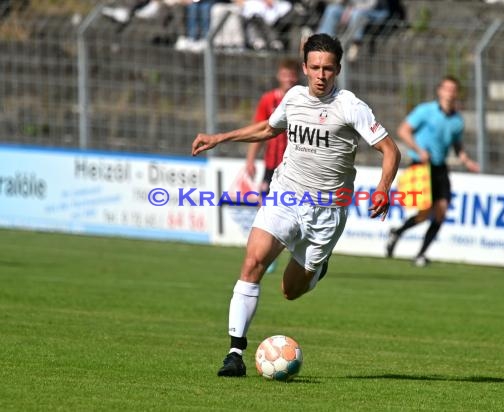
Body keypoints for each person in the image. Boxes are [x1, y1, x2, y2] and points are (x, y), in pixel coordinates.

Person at [191, 33, 401, 377]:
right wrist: (220, 138)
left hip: (327, 212)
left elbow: (390, 150)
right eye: (315, 68)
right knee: (254, 260)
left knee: (290, 291)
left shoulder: (351, 107)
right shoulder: (293, 98)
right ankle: (234, 352)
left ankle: (318, 268)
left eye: (328, 69)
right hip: (286, 195)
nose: (321, 75)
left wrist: (383, 188)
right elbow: (269, 129)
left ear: (338, 70)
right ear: (304, 68)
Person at [386, 75, 480, 267]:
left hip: (440, 167)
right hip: (421, 165)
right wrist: (420, 150)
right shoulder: (425, 111)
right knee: (424, 212)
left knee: (441, 211)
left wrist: (466, 160)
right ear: (440, 91)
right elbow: (403, 130)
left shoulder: (457, 120)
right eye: (447, 88)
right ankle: (398, 232)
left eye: (453, 90)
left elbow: (457, 144)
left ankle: (419, 254)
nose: (450, 93)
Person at [244, 57, 300, 273]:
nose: (288, 78)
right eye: (285, 74)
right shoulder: (268, 100)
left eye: (292, 74)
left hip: (295, 168)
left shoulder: (304, 99)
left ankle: (291, 251)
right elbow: (259, 130)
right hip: (271, 165)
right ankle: (267, 252)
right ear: (279, 76)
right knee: (265, 207)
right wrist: (250, 160)